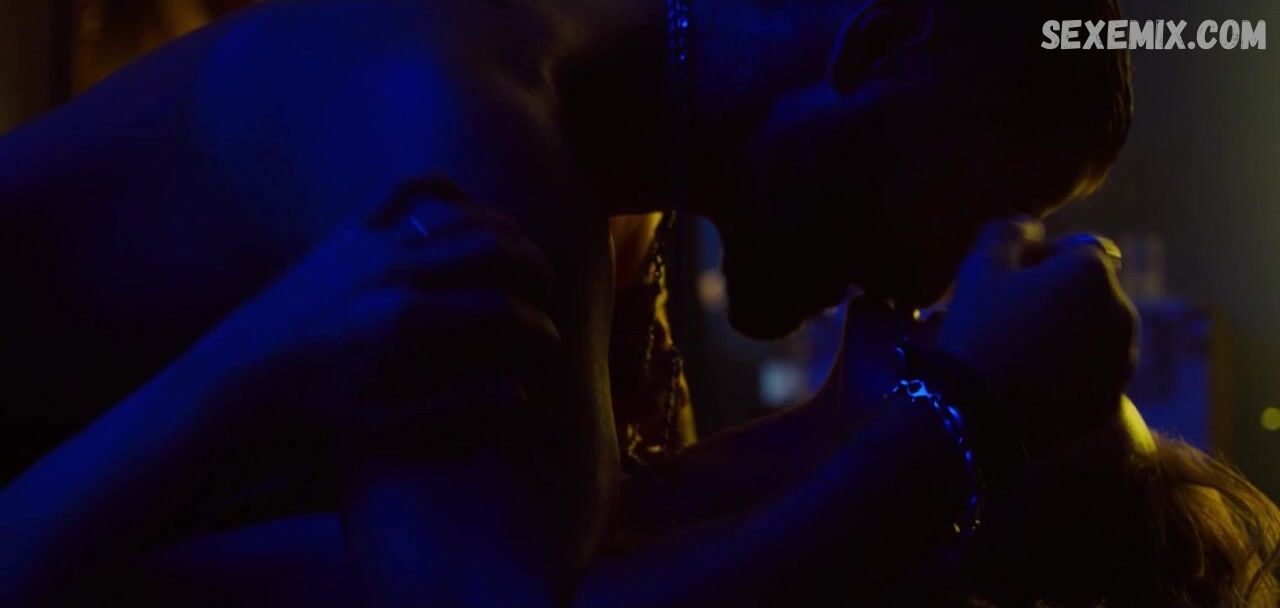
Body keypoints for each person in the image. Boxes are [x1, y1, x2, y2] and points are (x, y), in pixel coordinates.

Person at [0, 0, 1176, 605]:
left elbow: (584, 537)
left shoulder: (597, 181)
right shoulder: (465, 124)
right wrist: (959, 420)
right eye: (961, 215)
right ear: (873, 47)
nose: (926, 282)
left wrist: (840, 428)